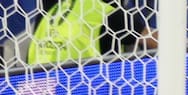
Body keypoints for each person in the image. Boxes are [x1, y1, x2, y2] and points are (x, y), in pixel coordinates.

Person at [26, 0, 156, 66]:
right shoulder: (107, 13)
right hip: (85, 94)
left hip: (35, 94)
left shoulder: (50, 9)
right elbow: (155, 40)